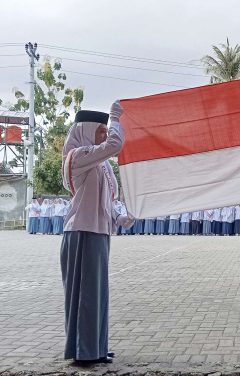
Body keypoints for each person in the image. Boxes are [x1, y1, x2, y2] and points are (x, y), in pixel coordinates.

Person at [60, 104, 134, 364]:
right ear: (86, 131)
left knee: (97, 293)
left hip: (99, 231)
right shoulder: (78, 156)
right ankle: (84, 351)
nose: (106, 135)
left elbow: (108, 200)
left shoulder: (101, 165)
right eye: (101, 131)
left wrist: (119, 217)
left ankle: (96, 347)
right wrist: (115, 119)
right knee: (84, 295)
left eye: (106, 130)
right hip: (81, 231)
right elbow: (115, 145)